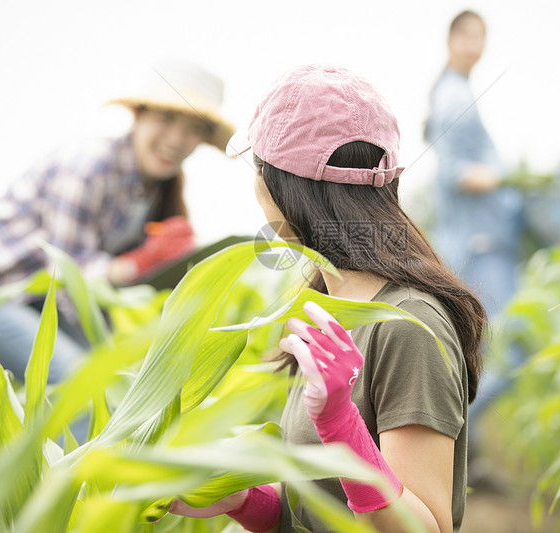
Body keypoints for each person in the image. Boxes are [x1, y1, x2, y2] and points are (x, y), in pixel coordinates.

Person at [168, 65, 487, 532]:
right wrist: (243, 499)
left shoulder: (407, 325)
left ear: (286, 187)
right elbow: (321, 509)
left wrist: (340, 425)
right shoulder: (323, 312)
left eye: (259, 167)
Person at [0, 60, 235, 386]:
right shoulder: (89, 166)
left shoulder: (157, 190)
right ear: (139, 115)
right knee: (84, 390)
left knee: (119, 386)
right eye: (167, 118)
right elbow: (68, 275)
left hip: (37, 299)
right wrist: (140, 262)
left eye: (194, 129)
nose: (177, 139)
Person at [424, 10, 525, 482]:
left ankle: (460, 457)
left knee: (480, 353)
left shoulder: (456, 91)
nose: (472, 44)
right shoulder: (452, 95)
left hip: (477, 240)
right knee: (512, 350)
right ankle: (444, 446)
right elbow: (454, 172)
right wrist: (505, 178)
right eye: (465, 35)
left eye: (480, 37)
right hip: (478, 244)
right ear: (449, 40)